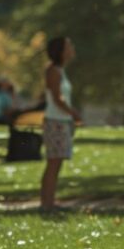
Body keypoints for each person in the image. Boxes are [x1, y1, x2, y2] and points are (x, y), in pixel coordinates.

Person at [39, 37, 82, 213]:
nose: (72, 48)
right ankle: (46, 203)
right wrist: (73, 112)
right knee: (53, 162)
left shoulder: (60, 70)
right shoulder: (53, 71)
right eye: (69, 46)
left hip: (62, 121)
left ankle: (50, 201)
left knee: (57, 163)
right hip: (55, 121)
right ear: (61, 51)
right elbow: (57, 98)